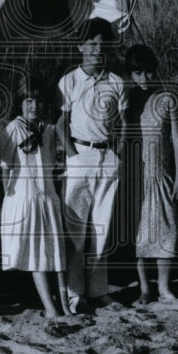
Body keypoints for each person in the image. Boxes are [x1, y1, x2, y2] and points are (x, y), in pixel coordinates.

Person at [58, 18, 127, 312]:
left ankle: (99, 291)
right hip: (79, 158)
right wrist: (73, 155)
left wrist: (118, 154)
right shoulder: (69, 81)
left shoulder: (117, 82)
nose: (97, 49)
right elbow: (61, 124)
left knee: (102, 227)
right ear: (80, 47)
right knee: (75, 230)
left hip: (107, 158)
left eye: (102, 44)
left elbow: (123, 124)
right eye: (91, 43)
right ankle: (76, 295)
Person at [123, 44, 178, 302]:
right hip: (136, 176)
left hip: (161, 175)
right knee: (141, 235)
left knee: (166, 229)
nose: (143, 78)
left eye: (148, 72)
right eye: (137, 73)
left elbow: (177, 139)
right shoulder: (127, 99)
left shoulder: (168, 98)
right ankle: (144, 289)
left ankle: (163, 286)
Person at [0, 77, 66, 319]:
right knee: (38, 254)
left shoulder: (48, 129)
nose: (34, 106)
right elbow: (6, 167)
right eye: (29, 100)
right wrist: (9, 195)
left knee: (56, 251)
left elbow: (49, 162)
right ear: (20, 103)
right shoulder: (12, 128)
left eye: (38, 101)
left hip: (47, 195)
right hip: (24, 196)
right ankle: (50, 307)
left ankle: (65, 305)